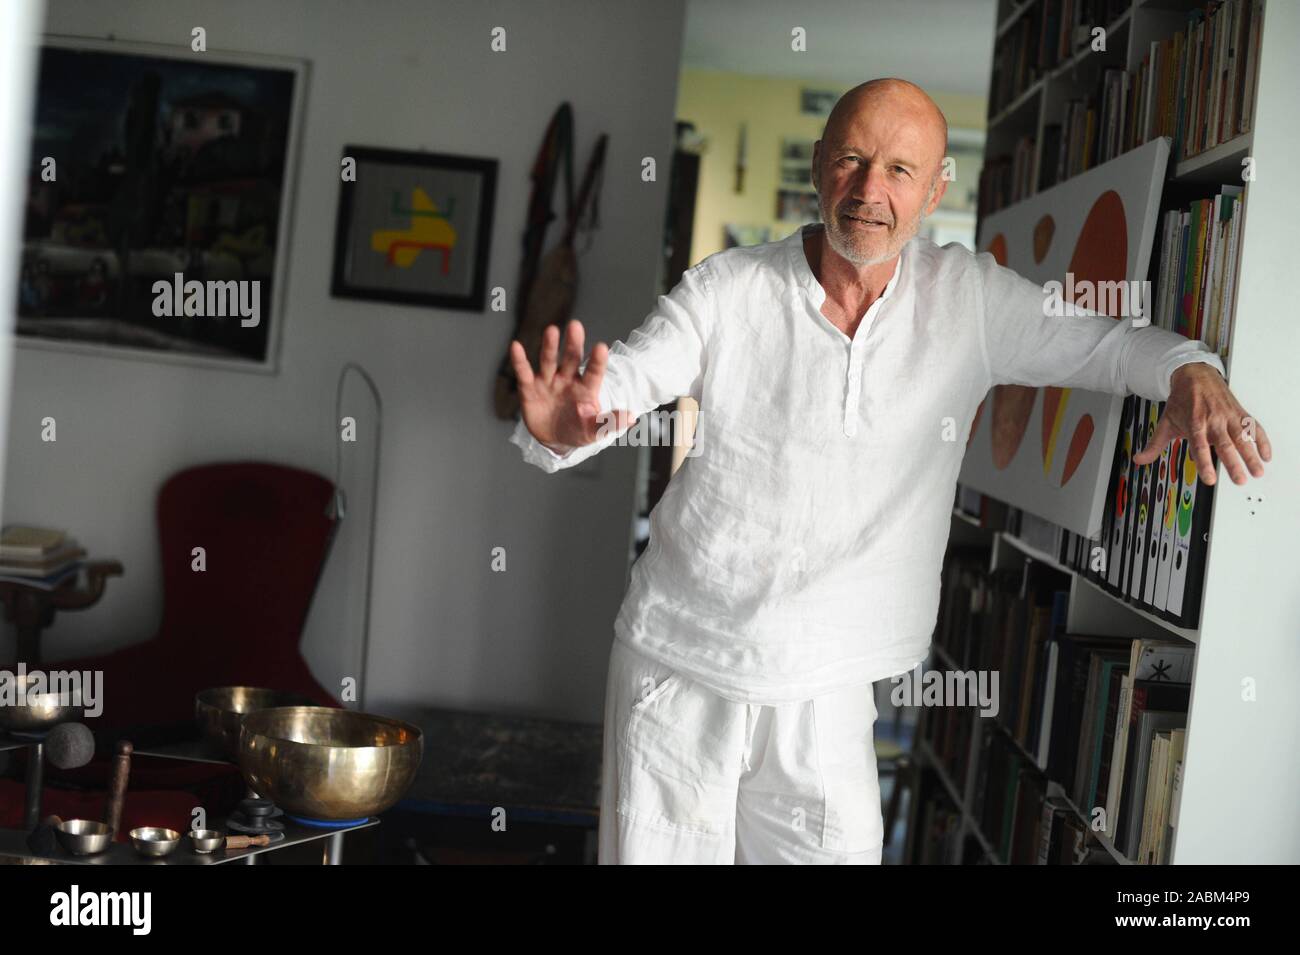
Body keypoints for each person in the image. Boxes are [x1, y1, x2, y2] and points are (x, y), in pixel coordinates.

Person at [506, 79, 1270, 864]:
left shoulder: (968, 299)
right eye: (852, 159)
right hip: (679, 667)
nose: (871, 189)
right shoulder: (727, 287)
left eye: (901, 170)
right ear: (817, 166)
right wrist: (572, 427)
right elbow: (627, 380)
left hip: (832, 685)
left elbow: (1101, 344)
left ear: (937, 188)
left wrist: (1188, 369)